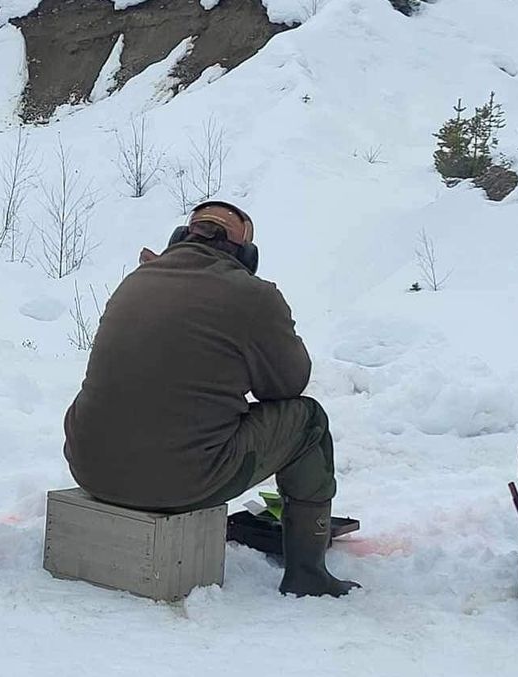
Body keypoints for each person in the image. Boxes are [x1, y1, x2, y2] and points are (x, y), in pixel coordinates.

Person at [64, 201, 359, 597]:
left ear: (180, 239)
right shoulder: (253, 296)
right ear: (246, 256)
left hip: (89, 468)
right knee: (309, 422)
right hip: (181, 483)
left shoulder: (136, 280)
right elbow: (288, 386)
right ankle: (307, 572)